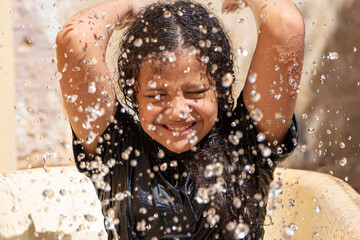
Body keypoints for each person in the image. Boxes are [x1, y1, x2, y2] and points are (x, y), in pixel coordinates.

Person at [56, 0, 304, 239]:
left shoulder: (246, 142)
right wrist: (127, 5)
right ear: (135, 94)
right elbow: (76, 40)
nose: (177, 111)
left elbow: (285, 25)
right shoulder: (118, 150)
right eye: (156, 95)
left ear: (218, 87)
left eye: (195, 92)